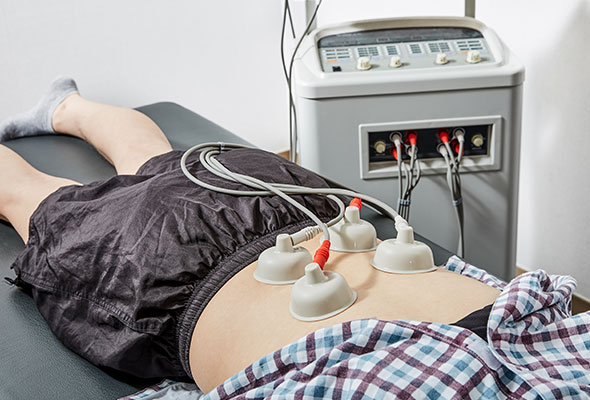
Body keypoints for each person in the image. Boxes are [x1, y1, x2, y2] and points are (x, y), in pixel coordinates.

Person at [2, 78, 585, 399]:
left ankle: (69, 104)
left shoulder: (567, 361)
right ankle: (65, 107)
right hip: (175, 270)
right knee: (33, 199)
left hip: (295, 208)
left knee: (153, 157)